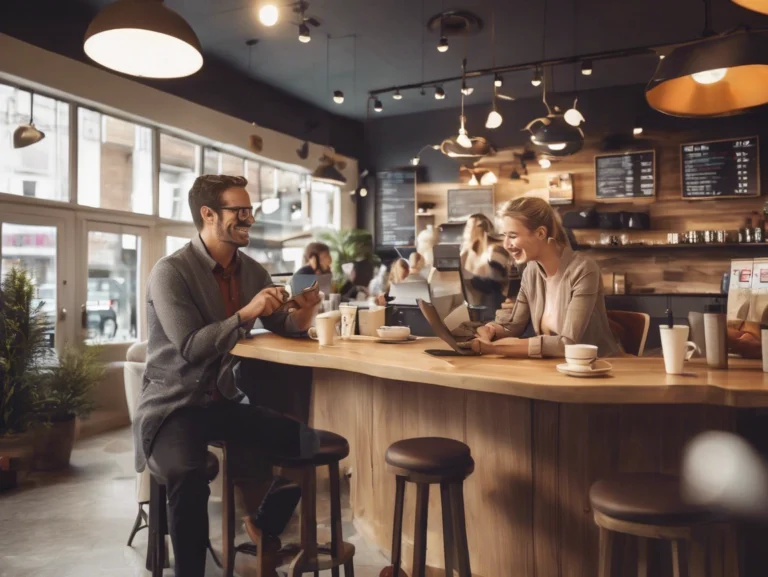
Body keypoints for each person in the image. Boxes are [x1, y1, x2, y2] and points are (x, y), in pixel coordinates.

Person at [133, 174, 322, 577]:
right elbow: (190, 347)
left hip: (222, 400)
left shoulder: (250, 270)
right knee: (188, 474)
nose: (248, 218)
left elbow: (282, 323)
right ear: (208, 215)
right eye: (239, 211)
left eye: (249, 210)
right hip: (173, 407)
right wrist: (245, 313)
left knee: (307, 442)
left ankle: (263, 523)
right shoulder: (170, 273)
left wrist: (303, 312)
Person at [472, 197, 620, 358]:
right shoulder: (531, 272)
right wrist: (489, 331)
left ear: (541, 233)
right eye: (504, 236)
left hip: (597, 367)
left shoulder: (583, 269)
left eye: (513, 236)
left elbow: (568, 344)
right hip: (556, 368)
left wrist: (495, 348)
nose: (506, 244)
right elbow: (512, 326)